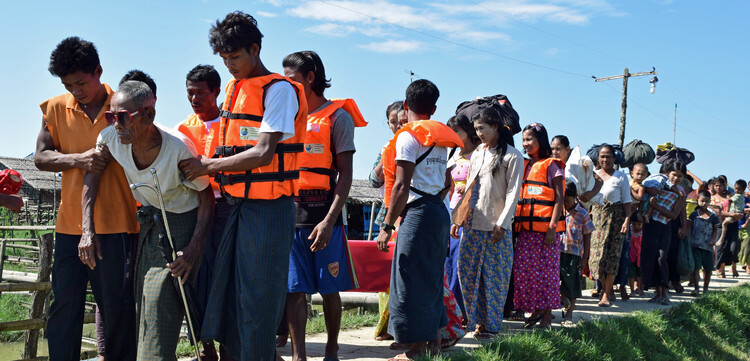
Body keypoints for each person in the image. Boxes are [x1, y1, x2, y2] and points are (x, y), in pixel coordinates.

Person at [179, 11, 308, 361]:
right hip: (235, 205)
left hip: (268, 211)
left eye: (235, 57)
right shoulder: (236, 89)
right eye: (224, 59)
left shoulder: (279, 90)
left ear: (255, 48)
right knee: (230, 297)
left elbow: (264, 153)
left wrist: (207, 166)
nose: (230, 66)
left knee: (258, 301)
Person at [83, 81, 213, 360]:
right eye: (111, 116)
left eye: (123, 117)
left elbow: (206, 197)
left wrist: (193, 248)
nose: (116, 124)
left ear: (148, 116)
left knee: (173, 296)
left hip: (186, 221)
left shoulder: (178, 148)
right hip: (153, 221)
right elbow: (92, 174)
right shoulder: (109, 139)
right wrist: (87, 230)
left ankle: (210, 349)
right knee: (147, 299)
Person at [35, 37, 138, 361]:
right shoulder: (53, 108)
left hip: (118, 224)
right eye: (69, 85)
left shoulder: (123, 106)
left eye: (81, 82)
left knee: (117, 309)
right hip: (69, 227)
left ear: (98, 71)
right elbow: (41, 158)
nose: (76, 90)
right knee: (64, 306)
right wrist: (79, 159)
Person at [279, 50, 365, 361]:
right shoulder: (285, 117)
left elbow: (346, 175)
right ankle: (299, 355)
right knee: (294, 289)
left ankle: (331, 347)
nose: (284, 86)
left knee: (330, 288)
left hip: (325, 215)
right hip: (291, 214)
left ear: (310, 78)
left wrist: (329, 221)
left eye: (290, 79)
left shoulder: (338, 118)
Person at [375, 79, 462, 360]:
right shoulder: (439, 138)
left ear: (406, 106)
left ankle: (414, 349)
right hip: (439, 212)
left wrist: (387, 226)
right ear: (434, 108)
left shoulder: (407, 136)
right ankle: (433, 344)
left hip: (418, 214)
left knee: (409, 279)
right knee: (433, 278)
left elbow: (400, 186)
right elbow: (447, 181)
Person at [175, 64, 233, 361]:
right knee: (197, 277)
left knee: (225, 275)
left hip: (226, 208)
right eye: (189, 93)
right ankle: (204, 346)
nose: (194, 99)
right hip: (194, 209)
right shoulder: (182, 129)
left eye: (200, 93)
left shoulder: (232, 123)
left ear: (216, 92)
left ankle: (228, 345)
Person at [450, 108, 522, 338]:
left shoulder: (513, 156)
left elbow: (513, 193)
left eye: (482, 128)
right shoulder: (478, 152)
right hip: (472, 224)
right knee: (469, 275)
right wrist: (458, 220)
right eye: (476, 128)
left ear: (496, 127)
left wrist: (502, 223)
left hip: (496, 228)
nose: (478, 133)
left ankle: (490, 325)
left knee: (494, 278)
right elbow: (469, 189)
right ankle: (474, 322)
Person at [513, 122, 564, 328]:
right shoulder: (524, 165)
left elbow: (559, 199)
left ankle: (546, 316)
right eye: (523, 140)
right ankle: (534, 311)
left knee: (547, 274)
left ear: (540, 140)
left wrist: (552, 227)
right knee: (524, 274)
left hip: (546, 233)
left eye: (529, 139)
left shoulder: (552, 165)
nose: (525, 144)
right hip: (526, 231)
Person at [369, 101, 404, 342]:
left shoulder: (417, 144)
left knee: (403, 270)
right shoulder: (385, 148)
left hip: (407, 212)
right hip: (387, 213)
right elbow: (372, 181)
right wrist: (386, 154)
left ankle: (402, 326)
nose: (398, 126)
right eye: (393, 122)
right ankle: (386, 325)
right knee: (385, 272)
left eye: (402, 121)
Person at [445, 113, 481, 318]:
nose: (454, 135)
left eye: (457, 130)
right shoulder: (452, 155)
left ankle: (464, 311)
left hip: (470, 213)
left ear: (468, 131)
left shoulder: (478, 154)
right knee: (449, 260)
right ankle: (452, 310)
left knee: (463, 261)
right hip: (451, 210)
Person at [588, 144, 632, 307]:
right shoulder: (593, 175)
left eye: (608, 156)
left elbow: (627, 201)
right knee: (597, 258)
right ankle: (606, 288)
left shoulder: (620, 176)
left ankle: (606, 293)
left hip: (616, 218)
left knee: (613, 257)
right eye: (602, 156)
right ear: (598, 158)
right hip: (597, 218)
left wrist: (627, 220)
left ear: (614, 159)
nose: (605, 159)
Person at [640, 161, 685, 305]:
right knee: (651, 257)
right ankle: (656, 292)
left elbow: (673, 215)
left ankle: (664, 291)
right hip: (650, 224)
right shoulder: (659, 186)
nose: (676, 178)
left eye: (680, 176)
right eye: (674, 175)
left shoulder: (680, 194)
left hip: (665, 227)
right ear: (668, 174)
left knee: (661, 257)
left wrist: (656, 206)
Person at [559, 182, 593, 325]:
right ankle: (561, 300)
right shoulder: (559, 211)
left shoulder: (582, 213)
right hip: (558, 252)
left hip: (574, 254)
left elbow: (587, 236)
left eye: (567, 200)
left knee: (572, 283)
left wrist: (585, 257)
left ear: (574, 197)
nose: (565, 204)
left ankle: (569, 312)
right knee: (554, 279)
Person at [688, 190, 720, 296]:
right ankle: (696, 288)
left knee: (708, 268)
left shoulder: (713, 216)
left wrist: (713, 240)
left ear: (710, 202)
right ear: (698, 200)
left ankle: (705, 289)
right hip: (695, 246)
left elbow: (715, 229)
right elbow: (688, 226)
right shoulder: (694, 215)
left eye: (707, 201)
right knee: (696, 267)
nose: (704, 203)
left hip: (708, 247)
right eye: (702, 201)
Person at [711, 177, 743, 278]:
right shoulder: (712, 198)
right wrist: (732, 214)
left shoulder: (731, 195)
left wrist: (740, 213)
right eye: (716, 185)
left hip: (733, 224)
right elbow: (716, 212)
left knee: (733, 247)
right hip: (720, 224)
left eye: (720, 185)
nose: (718, 187)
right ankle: (721, 270)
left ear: (724, 185)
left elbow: (739, 206)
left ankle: (733, 267)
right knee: (720, 248)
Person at [627, 212, 644, 296]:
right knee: (631, 275)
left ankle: (641, 289)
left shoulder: (644, 233)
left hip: (640, 257)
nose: (636, 226)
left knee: (640, 274)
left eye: (639, 224)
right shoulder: (629, 231)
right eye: (634, 224)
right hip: (631, 257)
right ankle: (632, 290)